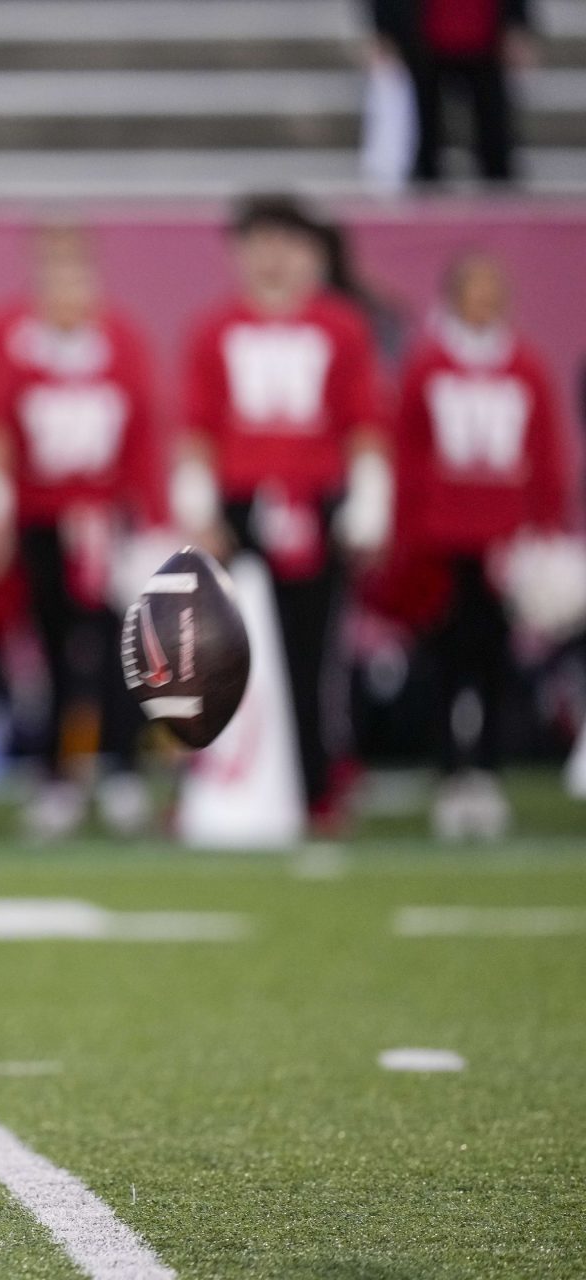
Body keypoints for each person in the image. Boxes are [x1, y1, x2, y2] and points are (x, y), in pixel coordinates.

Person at [177, 195, 388, 828]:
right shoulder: (214, 329)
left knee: (313, 648)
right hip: (239, 504)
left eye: (284, 241)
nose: (272, 257)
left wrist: (370, 504)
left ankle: (315, 781)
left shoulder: (341, 327)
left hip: (314, 499)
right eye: (259, 242)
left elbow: (363, 422)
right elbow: (197, 428)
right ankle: (220, 779)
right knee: (219, 652)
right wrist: (199, 509)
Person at [0, 226, 164, 838]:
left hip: (107, 520)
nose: (66, 291)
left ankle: (123, 770)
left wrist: (153, 522)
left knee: (121, 654)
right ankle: (57, 778)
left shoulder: (121, 340)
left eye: (76, 276)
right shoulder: (14, 343)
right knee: (52, 656)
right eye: (54, 277)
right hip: (42, 519)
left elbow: (143, 437)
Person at [389, 252, 574, 838]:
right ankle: (450, 773)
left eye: (495, 288)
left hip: (504, 542)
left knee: (494, 661)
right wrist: (412, 532)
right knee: (446, 661)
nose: (485, 299)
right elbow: (409, 454)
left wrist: (543, 530)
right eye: (475, 288)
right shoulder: (428, 366)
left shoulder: (525, 365)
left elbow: (546, 454)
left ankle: (487, 772)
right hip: (444, 541)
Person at [367, 0, 536, 185]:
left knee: (495, 134)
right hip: (423, 39)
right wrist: (383, 29)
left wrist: (518, 24)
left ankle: (500, 193)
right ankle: (425, 193)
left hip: (484, 37)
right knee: (424, 135)